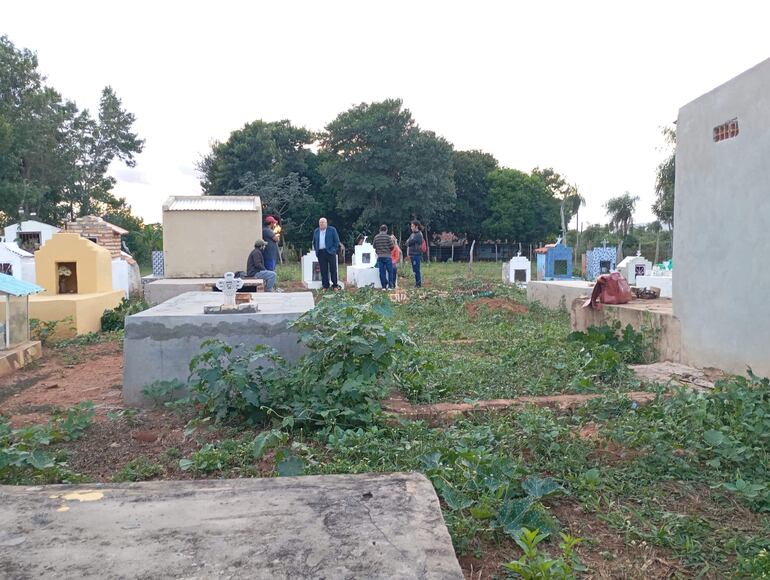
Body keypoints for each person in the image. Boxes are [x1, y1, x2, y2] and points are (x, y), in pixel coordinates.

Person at [312, 217, 341, 290]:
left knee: (333, 269)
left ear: (326, 223)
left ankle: (335, 285)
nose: (321, 224)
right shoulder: (316, 231)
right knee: (323, 270)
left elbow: (336, 241)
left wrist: (333, 250)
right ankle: (325, 286)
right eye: (320, 222)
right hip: (321, 253)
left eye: (323, 222)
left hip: (330, 252)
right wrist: (316, 250)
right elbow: (314, 242)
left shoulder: (332, 230)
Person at [373, 224, 395, 289]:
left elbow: (374, 246)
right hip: (388, 256)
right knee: (390, 272)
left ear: (380, 230)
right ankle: (390, 286)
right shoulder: (388, 237)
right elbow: (392, 246)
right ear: (386, 230)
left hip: (380, 257)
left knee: (382, 273)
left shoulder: (376, 237)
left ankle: (383, 287)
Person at [406, 220, 424, 288]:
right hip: (412, 254)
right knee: (415, 270)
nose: (411, 227)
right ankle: (417, 283)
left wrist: (409, 242)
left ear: (416, 226)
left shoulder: (419, 234)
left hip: (416, 254)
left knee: (416, 270)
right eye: (411, 226)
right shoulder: (412, 234)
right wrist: (409, 242)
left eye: (412, 226)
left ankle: (418, 284)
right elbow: (407, 243)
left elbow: (409, 242)